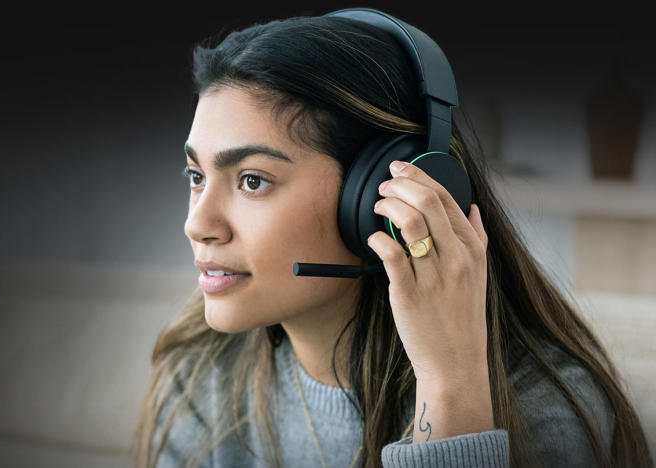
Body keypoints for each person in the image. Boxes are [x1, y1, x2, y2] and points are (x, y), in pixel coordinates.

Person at [131, 9, 652, 468]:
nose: (197, 224)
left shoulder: (541, 409)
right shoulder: (201, 374)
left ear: (382, 194)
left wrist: (451, 390)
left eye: (252, 180)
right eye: (195, 177)